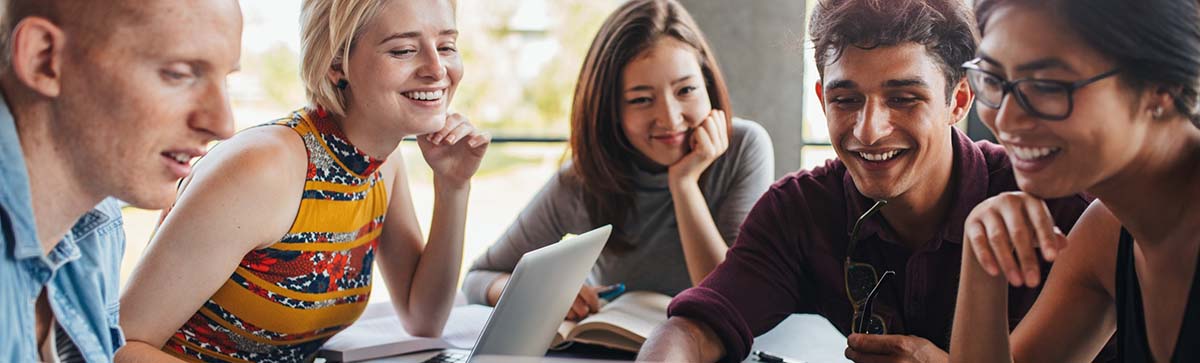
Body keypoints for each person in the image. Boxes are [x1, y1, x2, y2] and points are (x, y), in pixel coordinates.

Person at [637, 0, 1105, 362]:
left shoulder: (1059, 207)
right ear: (822, 100)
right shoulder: (798, 209)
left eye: (903, 98)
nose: (868, 130)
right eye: (846, 100)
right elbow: (692, 329)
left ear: (958, 100)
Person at [114, 0, 490, 361]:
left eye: (446, 46)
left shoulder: (383, 162)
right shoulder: (262, 167)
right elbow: (118, 344)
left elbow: (423, 318)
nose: (437, 68)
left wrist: (453, 185)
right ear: (336, 65)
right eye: (403, 50)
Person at [462, 0, 775, 321]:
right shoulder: (584, 180)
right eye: (641, 99)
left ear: (707, 85)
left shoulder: (744, 147)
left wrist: (684, 184)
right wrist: (539, 293)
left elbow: (728, 298)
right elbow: (479, 278)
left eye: (686, 90)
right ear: (611, 109)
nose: (669, 118)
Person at [949, 0, 1200, 361]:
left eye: (1048, 85)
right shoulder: (1109, 232)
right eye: (992, 79)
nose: (1005, 118)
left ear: (1164, 87)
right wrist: (982, 260)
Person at [0, 0, 240, 361]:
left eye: (224, 79)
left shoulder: (99, 219)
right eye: (178, 74)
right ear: (43, 58)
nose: (223, 125)